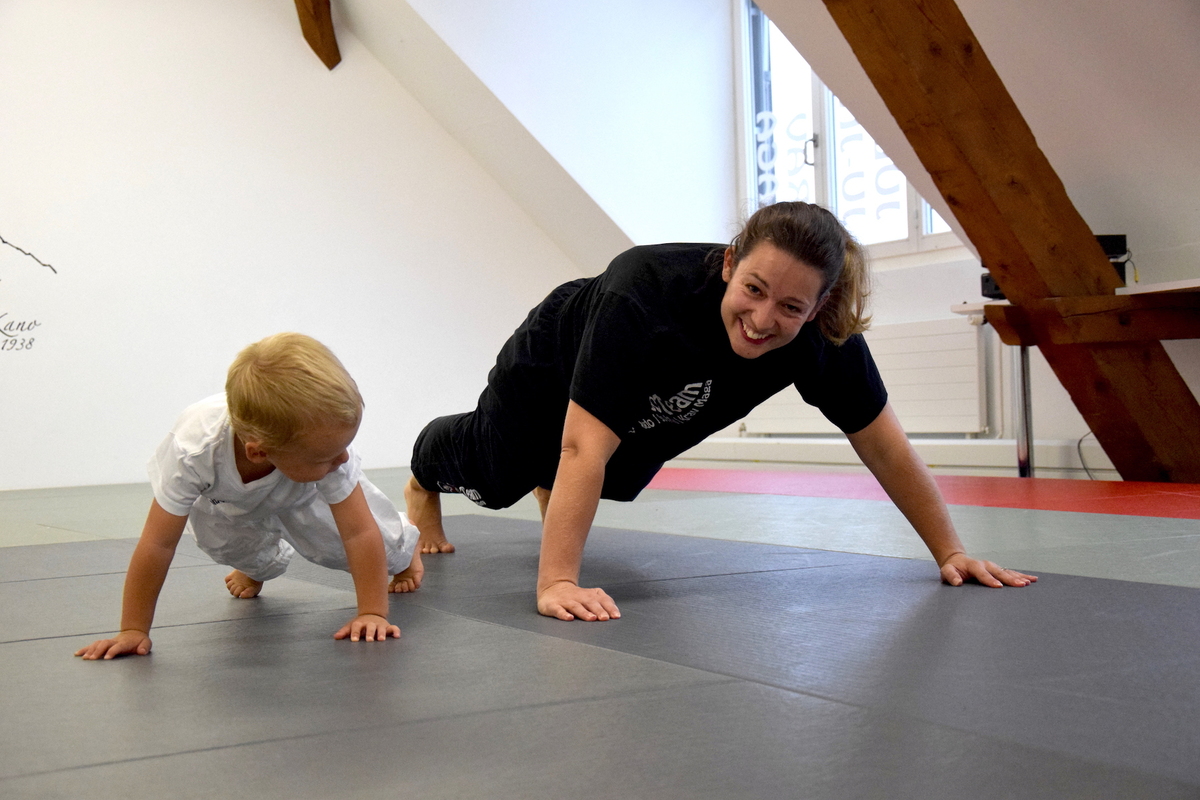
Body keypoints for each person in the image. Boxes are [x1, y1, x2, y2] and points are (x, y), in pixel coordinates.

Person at [405, 201, 1036, 623]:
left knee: (621, 465)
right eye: (754, 290)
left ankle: (547, 481)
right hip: (554, 359)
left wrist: (950, 552)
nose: (763, 320)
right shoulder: (644, 290)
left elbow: (884, 446)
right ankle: (422, 472)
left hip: (644, 399)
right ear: (730, 263)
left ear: (819, 308)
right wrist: (557, 583)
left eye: (791, 308)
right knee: (496, 477)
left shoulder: (826, 337)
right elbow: (580, 449)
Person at [75, 333, 422, 660]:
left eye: (344, 447)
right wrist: (133, 629)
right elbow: (157, 543)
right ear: (259, 452)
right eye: (329, 455)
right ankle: (259, 566)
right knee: (224, 545)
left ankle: (405, 551)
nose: (344, 458)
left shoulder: (329, 452)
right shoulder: (192, 451)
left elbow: (358, 532)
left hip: (302, 491)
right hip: (224, 501)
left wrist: (372, 611)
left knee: (342, 546)